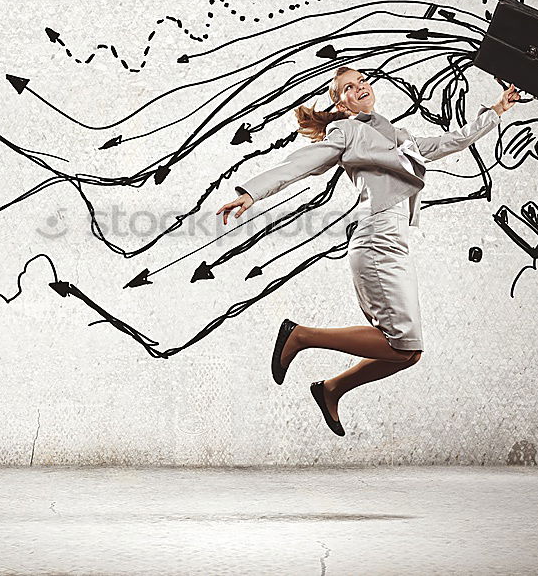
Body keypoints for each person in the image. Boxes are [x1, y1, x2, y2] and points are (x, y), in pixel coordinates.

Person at [216, 67, 520, 435]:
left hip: (395, 239)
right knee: (401, 343)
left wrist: (497, 109)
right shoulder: (346, 131)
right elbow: (301, 164)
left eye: (361, 81)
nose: (359, 87)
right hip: (377, 238)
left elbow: (450, 142)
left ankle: (331, 389)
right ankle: (300, 336)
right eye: (348, 87)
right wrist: (251, 192)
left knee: (408, 352)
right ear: (340, 103)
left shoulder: (399, 135)